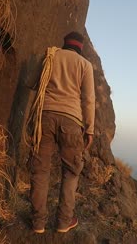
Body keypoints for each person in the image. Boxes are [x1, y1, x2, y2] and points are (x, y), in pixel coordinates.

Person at [29, 31, 95, 233]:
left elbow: (34, 83)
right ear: (80, 48)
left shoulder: (50, 57)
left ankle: (38, 223)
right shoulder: (85, 65)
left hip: (45, 118)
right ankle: (63, 222)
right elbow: (89, 99)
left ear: (65, 44)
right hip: (72, 122)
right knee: (71, 173)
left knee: (40, 171)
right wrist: (90, 129)